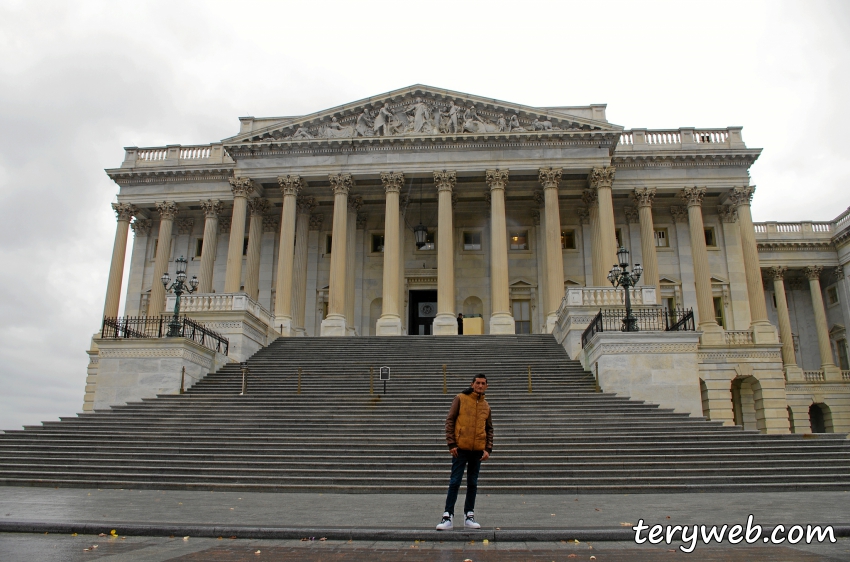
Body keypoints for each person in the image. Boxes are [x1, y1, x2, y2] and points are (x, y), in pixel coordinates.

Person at [436, 374, 493, 530]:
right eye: (478, 383)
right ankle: (447, 515)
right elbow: (450, 420)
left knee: (472, 483)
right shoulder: (460, 398)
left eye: (483, 383)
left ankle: (469, 514)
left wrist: (488, 448)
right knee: (455, 481)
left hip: (477, 450)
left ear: (486, 386)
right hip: (460, 448)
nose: (480, 386)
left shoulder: (486, 405)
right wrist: (451, 443)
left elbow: (489, 428)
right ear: (472, 384)